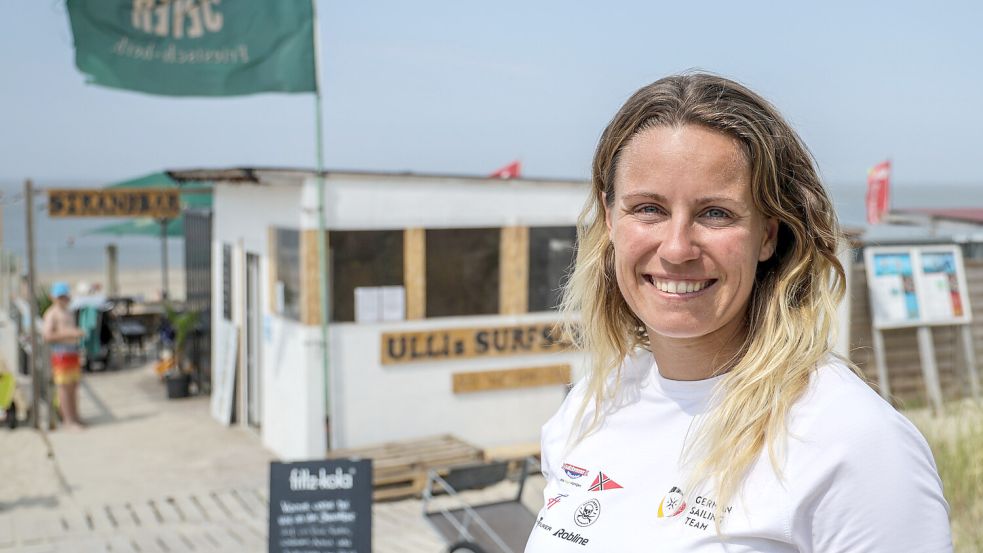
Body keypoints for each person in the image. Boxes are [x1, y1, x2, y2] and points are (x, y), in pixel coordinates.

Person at [524, 74, 951, 552]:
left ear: (768, 234)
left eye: (716, 213)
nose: (677, 247)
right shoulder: (587, 409)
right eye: (648, 209)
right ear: (610, 218)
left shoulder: (852, 440)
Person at [42, 281, 86, 429]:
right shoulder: (51, 313)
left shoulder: (68, 312)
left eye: (65, 296)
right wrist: (69, 333)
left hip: (72, 352)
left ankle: (75, 417)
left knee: (74, 387)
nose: (63, 300)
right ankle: (68, 421)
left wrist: (76, 333)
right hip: (61, 354)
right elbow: (47, 335)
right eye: (60, 297)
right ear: (53, 297)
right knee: (64, 388)